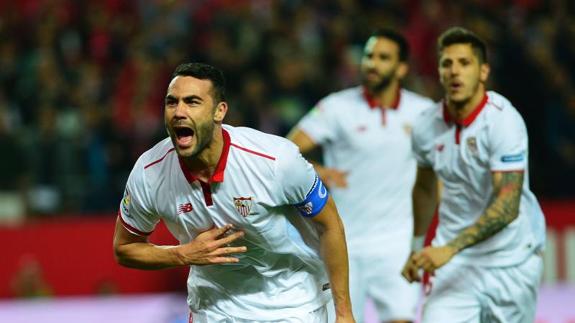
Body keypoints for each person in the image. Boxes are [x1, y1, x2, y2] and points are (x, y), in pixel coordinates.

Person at [113, 62, 355, 323]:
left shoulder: (275, 161)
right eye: (172, 102)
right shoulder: (149, 173)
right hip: (214, 308)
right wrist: (182, 254)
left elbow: (330, 226)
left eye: (192, 102)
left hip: (292, 303)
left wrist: (344, 313)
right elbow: (125, 248)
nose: (178, 112)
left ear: (219, 111)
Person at [288, 29, 434, 323]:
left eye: (383, 57)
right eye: (369, 56)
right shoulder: (336, 107)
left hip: (397, 243)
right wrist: (318, 171)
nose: (372, 64)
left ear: (401, 67)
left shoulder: (423, 113)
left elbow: (436, 174)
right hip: (342, 240)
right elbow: (286, 153)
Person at [401, 27, 546, 323]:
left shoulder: (503, 121)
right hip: (455, 265)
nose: (455, 71)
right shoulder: (426, 126)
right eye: (447, 63)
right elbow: (425, 189)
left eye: (464, 63)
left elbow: (507, 205)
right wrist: (417, 248)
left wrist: (448, 249)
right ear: (439, 72)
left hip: (511, 260)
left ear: (483, 72)